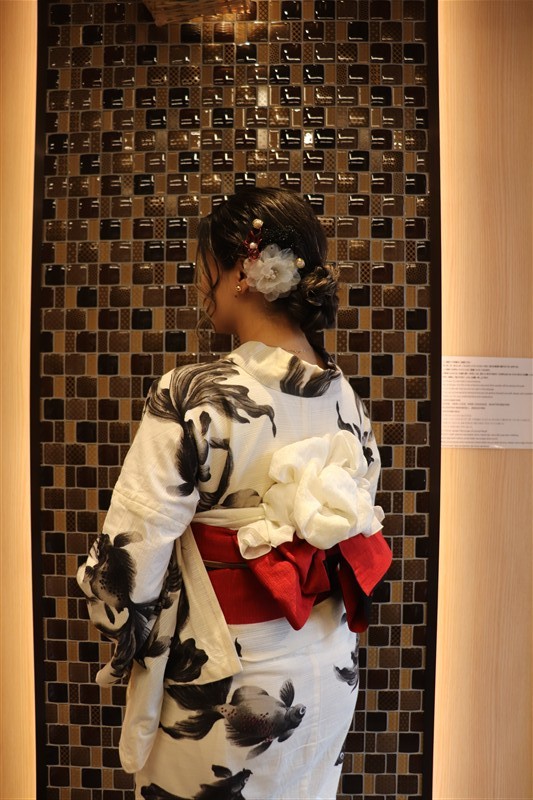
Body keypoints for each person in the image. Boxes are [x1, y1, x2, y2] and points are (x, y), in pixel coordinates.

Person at [77, 187, 392, 800]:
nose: (202, 284)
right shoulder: (346, 400)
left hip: (232, 685)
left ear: (242, 272)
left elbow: (127, 570)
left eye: (205, 268)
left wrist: (119, 629)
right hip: (326, 669)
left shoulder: (193, 394)